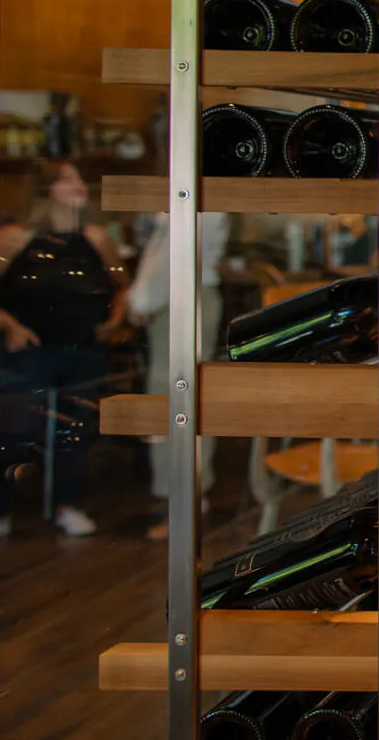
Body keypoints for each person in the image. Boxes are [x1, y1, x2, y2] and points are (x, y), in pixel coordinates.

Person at [0, 161, 130, 543]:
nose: (79, 185)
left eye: (78, 177)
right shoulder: (13, 238)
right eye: (68, 179)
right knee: (12, 432)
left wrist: (114, 320)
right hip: (29, 349)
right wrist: (7, 324)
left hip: (83, 349)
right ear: (46, 190)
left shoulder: (98, 238)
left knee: (73, 431)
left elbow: (122, 284)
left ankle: (68, 506)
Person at [127, 210, 231, 540]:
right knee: (187, 399)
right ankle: (189, 499)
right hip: (189, 294)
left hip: (182, 296)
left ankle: (180, 505)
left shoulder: (194, 189)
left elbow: (177, 254)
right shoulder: (208, 189)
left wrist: (142, 300)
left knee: (172, 401)